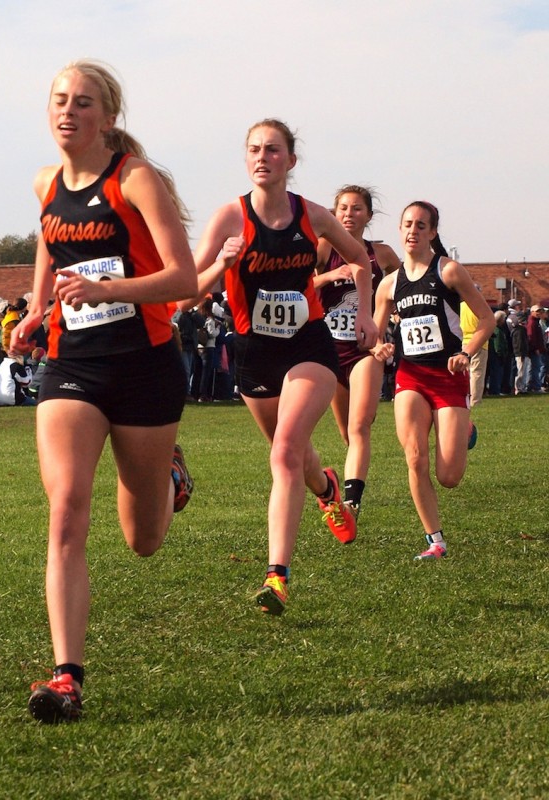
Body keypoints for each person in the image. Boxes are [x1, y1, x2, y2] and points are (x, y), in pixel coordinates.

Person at [9, 59, 197, 724]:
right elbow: (49, 239)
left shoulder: (134, 180)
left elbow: (186, 281)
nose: (67, 112)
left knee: (144, 538)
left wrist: (106, 290)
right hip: (73, 367)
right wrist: (36, 308)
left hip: (146, 366)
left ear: (107, 117)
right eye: (59, 100)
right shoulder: (45, 181)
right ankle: (67, 677)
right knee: (65, 507)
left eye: (82, 103)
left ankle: (169, 476)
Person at [184, 118, 377, 616]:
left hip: (307, 345)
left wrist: (367, 315)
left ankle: (277, 576)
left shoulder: (313, 216)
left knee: (285, 451)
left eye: (273, 149)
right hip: (254, 351)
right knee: (293, 456)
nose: (262, 157)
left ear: (291, 161)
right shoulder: (229, 218)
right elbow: (188, 289)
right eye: (253, 149)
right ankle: (327, 488)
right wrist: (222, 266)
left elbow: (360, 259)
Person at [371, 201, 495, 561]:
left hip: (448, 376)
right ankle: (435, 540)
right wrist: (380, 347)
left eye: (421, 225)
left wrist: (466, 351)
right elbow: (375, 334)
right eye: (407, 224)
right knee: (414, 457)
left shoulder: (449, 271)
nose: (413, 231)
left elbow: (487, 319)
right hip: (410, 375)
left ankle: (464, 427)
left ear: (433, 232)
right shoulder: (389, 285)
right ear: (400, 229)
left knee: (449, 476)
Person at [314, 185, 401, 524]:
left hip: (367, 348)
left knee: (360, 425)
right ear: (335, 214)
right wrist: (332, 275)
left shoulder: (383, 254)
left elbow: (408, 285)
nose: (349, 214)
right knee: (347, 434)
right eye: (344, 209)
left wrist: (393, 324)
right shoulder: (322, 248)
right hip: (328, 348)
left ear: (369, 215)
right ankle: (341, 484)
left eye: (357, 209)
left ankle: (351, 504)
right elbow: (299, 284)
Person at [460, 285, 488, 406]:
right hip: (479, 341)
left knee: (466, 373)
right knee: (477, 373)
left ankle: (465, 398)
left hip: (464, 341)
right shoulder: (479, 307)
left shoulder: (460, 306)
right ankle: (475, 401)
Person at [487, 310, 509, 396]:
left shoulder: (495, 329)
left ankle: (495, 389)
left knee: (496, 373)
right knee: (496, 373)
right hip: (496, 356)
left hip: (494, 355)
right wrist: (501, 355)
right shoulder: (497, 331)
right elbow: (497, 344)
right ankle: (494, 390)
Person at [526, 305, 547, 392]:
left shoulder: (536, 322)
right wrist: (535, 348)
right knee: (536, 368)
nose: (539, 313)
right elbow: (531, 337)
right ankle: (536, 386)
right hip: (534, 350)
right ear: (532, 312)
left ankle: (532, 386)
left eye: (540, 311)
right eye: (537, 311)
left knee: (534, 368)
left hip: (537, 349)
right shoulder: (532, 323)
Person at [510, 312, 530, 395]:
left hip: (521, 353)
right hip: (520, 354)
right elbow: (519, 343)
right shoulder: (519, 330)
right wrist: (521, 353)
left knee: (522, 371)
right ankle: (518, 388)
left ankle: (521, 387)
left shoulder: (519, 330)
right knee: (520, 372)